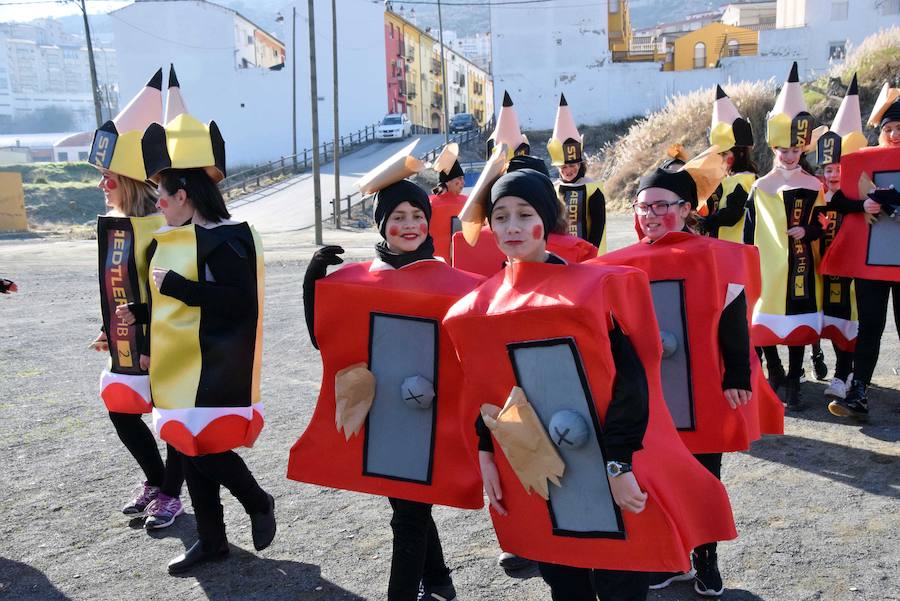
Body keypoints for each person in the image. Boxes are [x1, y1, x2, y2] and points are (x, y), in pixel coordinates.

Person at [445, 166, 737, 601]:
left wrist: (618, 465)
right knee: (564, 581)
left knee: (621, 579)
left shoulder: (596, 288)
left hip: (611, 464)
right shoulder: (477, 309)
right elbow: (486, 393)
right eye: (500, 216)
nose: (512, 227)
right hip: (542, 471)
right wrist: (487, 453)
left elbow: (632, 385)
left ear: (546, 219)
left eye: (524, 214)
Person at [289, 147, 484, 601]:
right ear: (382, 225)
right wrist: (313, 283)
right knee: (410, 507)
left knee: (409, 516)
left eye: (418, 214)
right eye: (398, 216)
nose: (411, 224)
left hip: (433, 426)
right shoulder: (362, 285)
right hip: (385, 424)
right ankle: (438, 582)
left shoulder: (452, 283)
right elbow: (327, 342)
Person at [597, 149, 784, 597]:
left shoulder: (715, 256)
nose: (652, 215)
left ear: (686, 210)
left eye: (662, 206)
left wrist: (738, 374)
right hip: (649, 394)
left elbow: (734, 315)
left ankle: (706, 559)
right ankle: (673, 556)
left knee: (703, 476)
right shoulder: (620, 264)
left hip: (701, 387)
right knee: (656, 474)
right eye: (644, 206)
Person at [133, 66, 275, 574]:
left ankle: (257, 500)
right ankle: (212, 540)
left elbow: (240, 300)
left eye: (162, 197)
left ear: (184, 196)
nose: (158, 205)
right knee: (188, 448)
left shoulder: (225, 236)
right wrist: (141, 315)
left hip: (215, 365)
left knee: (203, 448)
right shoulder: (181, 237)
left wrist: (181, 289)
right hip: (183, 365)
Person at [88, 68, 185, 529]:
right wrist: (108, 326)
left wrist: (148, 336)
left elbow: (163, 287)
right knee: (120, 407)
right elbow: (118, 282)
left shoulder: (163, 228)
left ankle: (170, 494)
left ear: (129, 179)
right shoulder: (113, 224)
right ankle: (156, 479)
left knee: (169, 414)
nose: (102, 185)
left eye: (109, 177)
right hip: (126, 335)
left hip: (163, 337)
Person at [743, 62, 824, 411]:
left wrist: (808, 230)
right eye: (782, 150)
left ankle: (793, 378)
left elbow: (824, 223)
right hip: (770, 268)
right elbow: (749, 230)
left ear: (802, 149)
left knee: (798, 323)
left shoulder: (813, 184)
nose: (788, 155)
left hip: (803, 265)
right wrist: (746, 260)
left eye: (794, 150)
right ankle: (774, 369)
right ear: (773, 148)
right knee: (766, 320)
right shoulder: (760, 187)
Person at [820, 81, 900, 419]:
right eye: (890, 129)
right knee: (870, 328)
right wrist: (862, 204)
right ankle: (858, 393)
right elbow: (837, 199)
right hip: (871, 263)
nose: (895, 135)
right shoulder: (861, 161)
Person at [811, 74, 867, 403]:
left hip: (853, 269)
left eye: (839, 169)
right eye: (828, 169)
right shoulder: (818, 194)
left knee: (851, 320)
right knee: (831, 320)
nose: (832, 175)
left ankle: (846, 373)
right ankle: (841, 370)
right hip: (825, 268)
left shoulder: (860, 196)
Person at [548, 93, 607, 252]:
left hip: (589, 253)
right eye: (563, 167)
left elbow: (598, 224)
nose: (568, 170)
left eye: (572, 165)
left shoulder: (592, 188)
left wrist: (590, 252)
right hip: (562, 254)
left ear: (580, 164)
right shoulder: (553, 189)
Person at [699, 85, 758, 243]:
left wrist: (707, 223)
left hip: (737, 247)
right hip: (721, 246)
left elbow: (733, 214)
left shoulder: (746, 180)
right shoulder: (723, 180)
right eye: (718, 155)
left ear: (740, 153)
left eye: (725, 154)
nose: (721, 159)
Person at [428, 142, 467, 262]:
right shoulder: (468, 203)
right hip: (459, 263)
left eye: (463, 179)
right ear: (448, 181)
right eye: (459, 178)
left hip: (434, 263)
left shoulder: (428, 203)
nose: (463, 183)